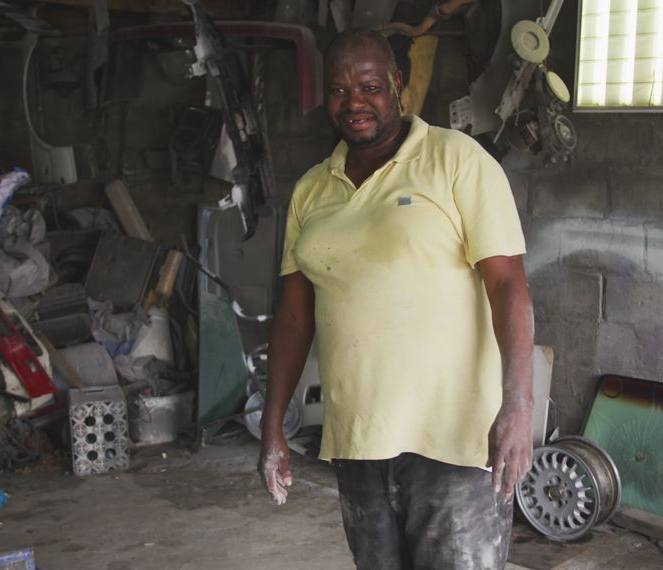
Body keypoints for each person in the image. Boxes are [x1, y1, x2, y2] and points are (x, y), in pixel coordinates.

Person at [258, 28, 534, 570]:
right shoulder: (312, 189)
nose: (354, 102)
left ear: (396, 85)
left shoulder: (456, 160)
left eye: (369, 86)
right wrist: (274, 424)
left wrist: (518, 405)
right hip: (359, 440)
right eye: (339, 90)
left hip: (453, 442)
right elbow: (294, 316)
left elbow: (509, 287)